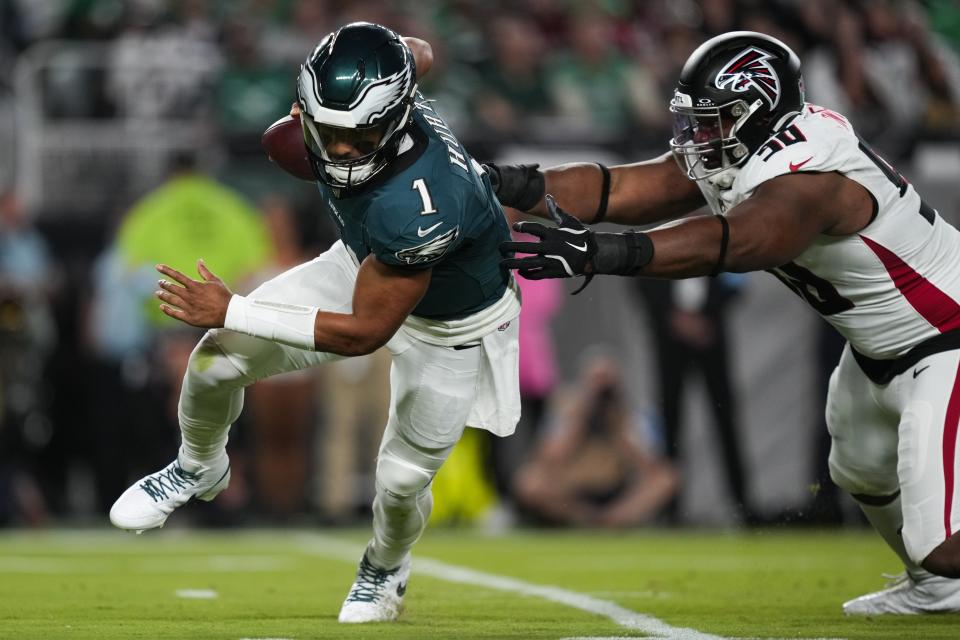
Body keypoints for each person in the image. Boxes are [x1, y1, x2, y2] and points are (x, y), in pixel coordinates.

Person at [492, 30, 960, 615]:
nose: (696, 136)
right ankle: (937, 591)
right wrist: (510, 185)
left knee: (941, 544)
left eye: (713, 120)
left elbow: (745, 240)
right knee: (859, 470)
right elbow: (624, 186)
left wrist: (599, 253)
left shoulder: (811, 168)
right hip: (878, 348)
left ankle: (941, 572)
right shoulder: (744, 150)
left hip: (945, 337)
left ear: (759, 111)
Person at [109, 22, 521, 624]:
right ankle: (200, 467)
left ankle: (385, 567)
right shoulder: (382, 84)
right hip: (363, 260)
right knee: (215, 359)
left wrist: (234, 307)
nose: (342, 151)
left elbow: (363, 333)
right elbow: (417, 51)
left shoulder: (423, 201)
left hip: (451, 320)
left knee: (402, 480)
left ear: (399, 114)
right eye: (327, 132)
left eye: (360, 136)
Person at [513, 350, 677, 528]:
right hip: (573, 490)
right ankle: (585, 519)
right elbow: (550, 458)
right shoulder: (567, 407)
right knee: (528, 482)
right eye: (596, 380)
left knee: (667, 478)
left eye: (607, 381)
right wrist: (579, 419)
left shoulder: (632, 412)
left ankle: (615, 519)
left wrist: (619, 429)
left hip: (617, 488)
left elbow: (651, 465)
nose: (602, 389)